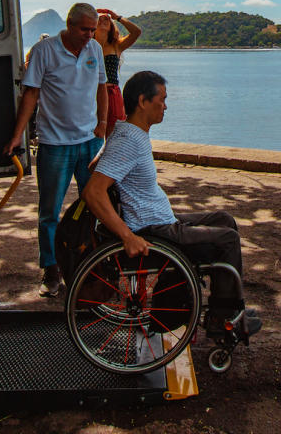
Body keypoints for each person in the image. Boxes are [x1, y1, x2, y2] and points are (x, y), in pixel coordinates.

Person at [83, 70, 261, 339]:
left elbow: (95, 166)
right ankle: (222, 319)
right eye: (162, 99)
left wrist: (109, 159)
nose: (165, 106)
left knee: (223, 219)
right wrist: (127, 237)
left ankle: (228, 308)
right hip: (152, 229)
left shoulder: (127, 131)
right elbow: (93, 191)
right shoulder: (129, 140)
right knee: (227, 240)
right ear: (142, 101)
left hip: (158, 218)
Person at [6, 3, 108, 296]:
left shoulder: (94, 49)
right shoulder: (45, 50)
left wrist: (102, 124)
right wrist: (17, 135)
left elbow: (102, 86)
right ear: (69, 24)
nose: (90, 35)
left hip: (89, 142)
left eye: (93, 30)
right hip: (55, 144)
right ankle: (51, 270)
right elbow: (31, 93)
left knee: (97, 206)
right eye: (84, 29)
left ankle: (92, 265)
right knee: (50, 211)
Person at [93, 8, 141, 135]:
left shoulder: (116, 46)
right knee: (93, 133)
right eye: (99, 18)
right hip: (92, 93)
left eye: (106, 19)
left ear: (111, 26)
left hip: (112, 94)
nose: (103, 20)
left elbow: (136, 32)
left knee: (114, 134)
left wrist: (117, 17)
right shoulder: (88, 45)